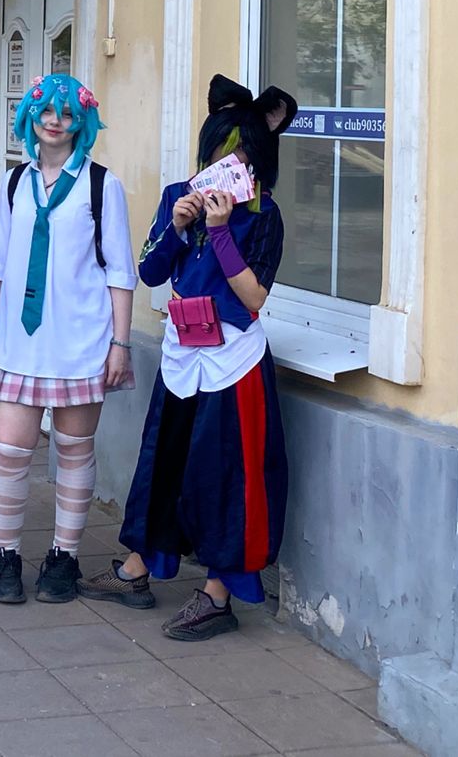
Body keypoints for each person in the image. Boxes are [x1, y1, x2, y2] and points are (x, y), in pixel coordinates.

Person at [78, 74, 297, 641]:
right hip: (182, 353)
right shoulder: (181, 196)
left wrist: (222, 232)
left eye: (242, 154)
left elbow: (253, 299)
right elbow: (150, 271)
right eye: (221, 151)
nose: (229, 164)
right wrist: (178, 227)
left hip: (234, 362)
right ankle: (137, 569)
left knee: (227, 476)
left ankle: (219, 593)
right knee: (165, 460)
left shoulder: (264, 215)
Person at [0, 74, 137, 606]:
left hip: (80, 340)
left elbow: (120, 270)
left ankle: (63, 558)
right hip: (20, 343)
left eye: (67, 114)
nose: (55, 121)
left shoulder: (102, 184)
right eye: (46, 111)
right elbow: (0, 265)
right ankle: (5, 557)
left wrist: (121, 345)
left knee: (73, 451)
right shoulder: (11, 183)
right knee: (9, 450)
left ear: (81, 122)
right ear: (30, 119)